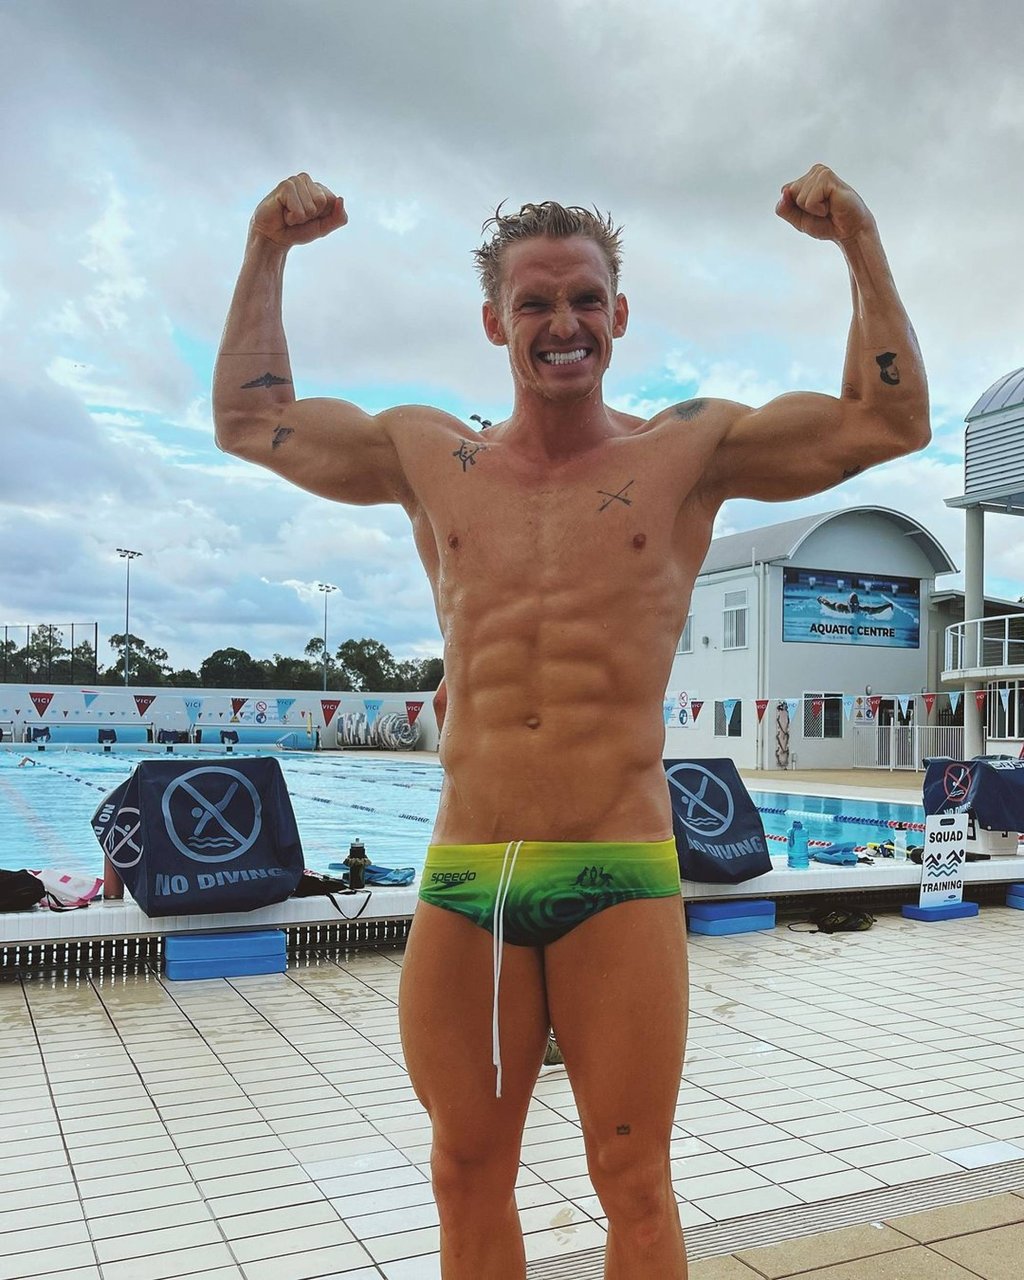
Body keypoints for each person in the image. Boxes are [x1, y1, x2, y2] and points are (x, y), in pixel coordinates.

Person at [213, 165, 929, 1279]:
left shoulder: (684, 453)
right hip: (469, 873)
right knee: (463, 1168)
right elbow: (250, 421)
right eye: (537, 302)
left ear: (619, 316)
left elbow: (886, 421)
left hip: (617, 868)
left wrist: (860, 239)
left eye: (586, 299)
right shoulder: (426, 453)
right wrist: (268, 246)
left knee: (634, 1183)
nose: (564, 324)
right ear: (495, 319)